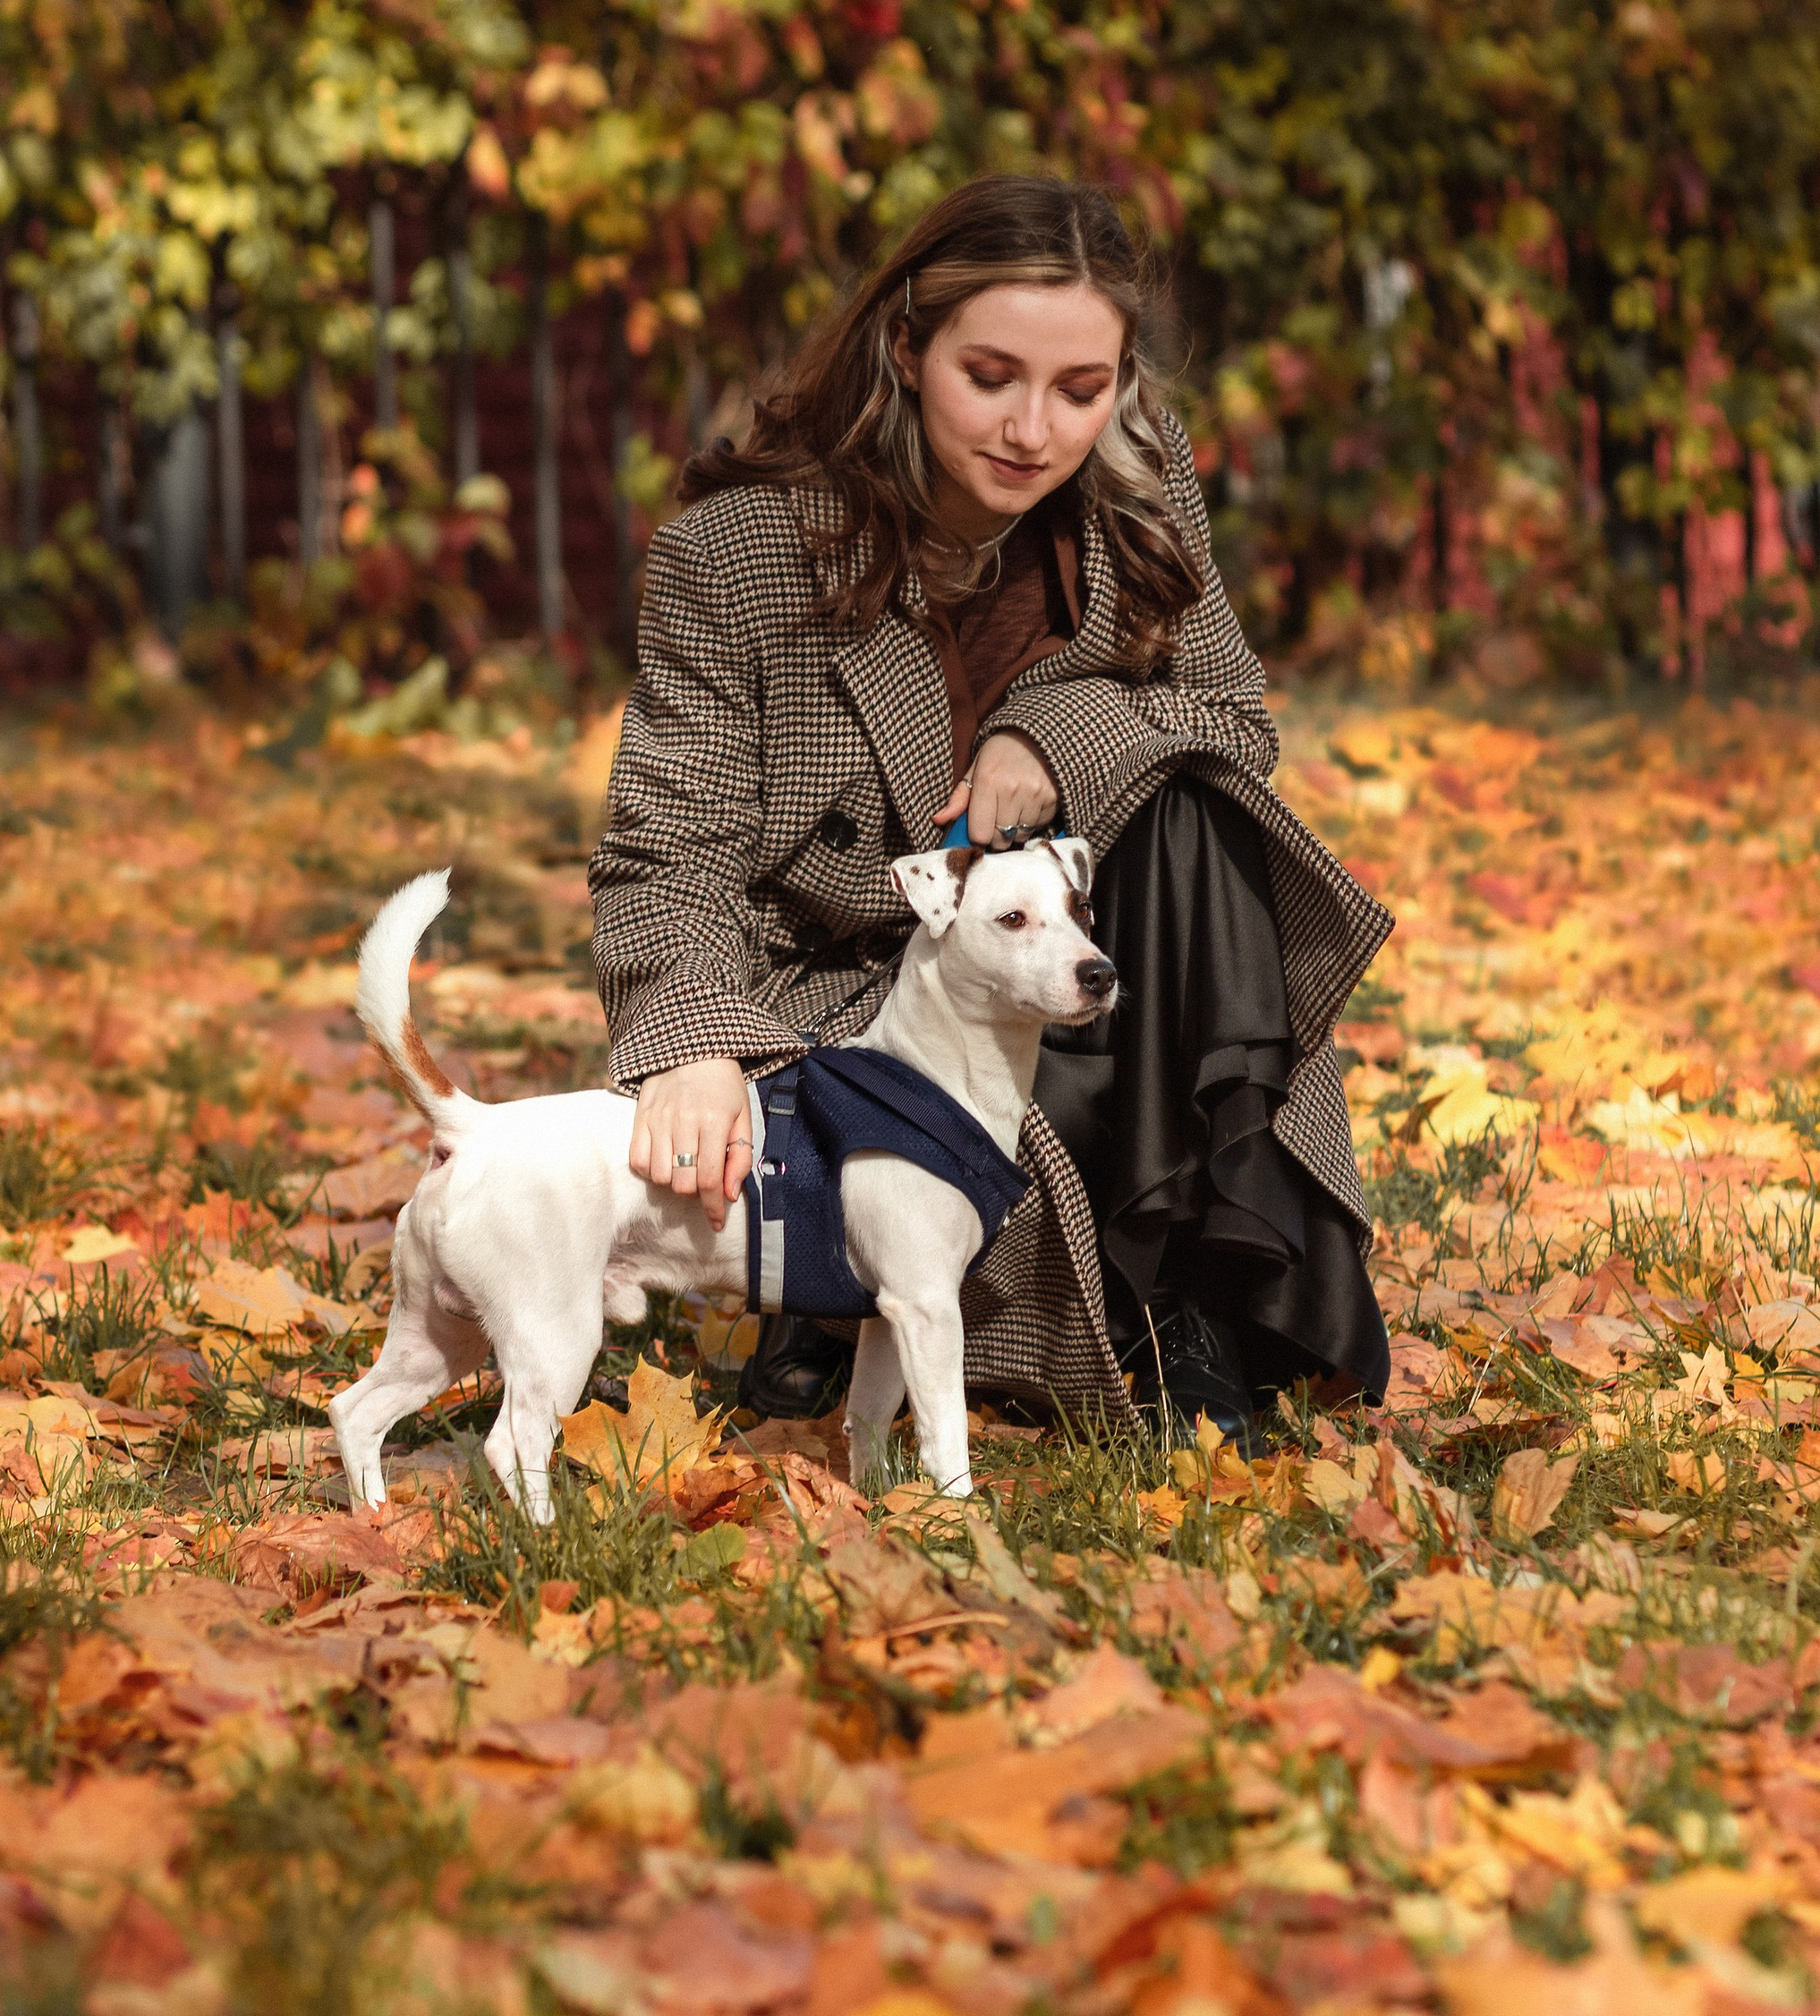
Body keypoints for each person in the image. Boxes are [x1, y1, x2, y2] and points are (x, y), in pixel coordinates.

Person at [587, 174, 1392, 1440]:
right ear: (907, 346)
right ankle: (835, 1265)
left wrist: (1054, 736)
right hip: (859, 997)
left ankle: (1194, 1311)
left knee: (1198, 819)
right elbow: (669, 846)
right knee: (954, 1053)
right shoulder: (739, 553)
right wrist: (695, 1042)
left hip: (1064, 955)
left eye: (1082, 388)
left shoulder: (1130, 480)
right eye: (991, 375)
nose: (1034, 429)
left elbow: (1236, 720)